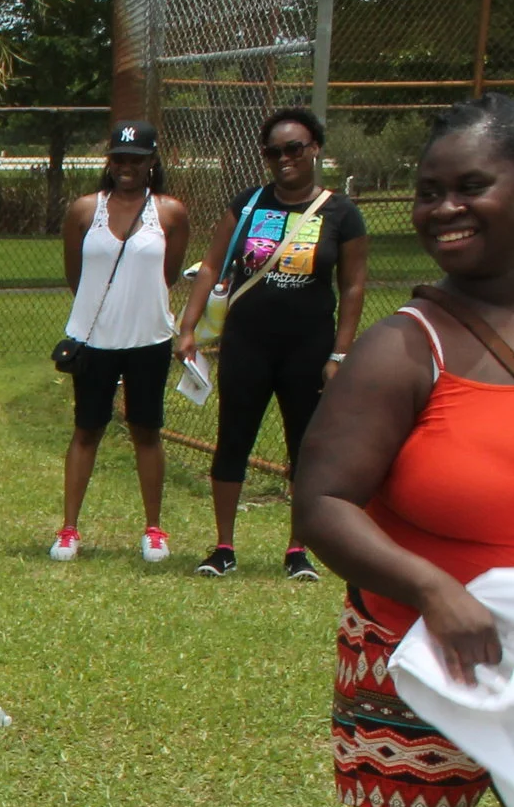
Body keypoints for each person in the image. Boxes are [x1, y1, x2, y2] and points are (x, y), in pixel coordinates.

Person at [296, 94, 514, 807]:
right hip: (420, 656)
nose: (442, 206)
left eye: (468, 185)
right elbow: (324, 503)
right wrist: (436, 589)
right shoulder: (409, 343)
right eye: (430, 188)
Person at [176, 105, 371, 580]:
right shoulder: (247, 205)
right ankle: (223, 547)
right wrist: (188, 328)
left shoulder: (341, 213)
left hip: (308, 347)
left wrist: (339, 354)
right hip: (248, 343)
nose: (284, 158)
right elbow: (210, 266)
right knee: (233, 439)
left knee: (304, 448)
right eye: (273, 151)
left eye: (294, 148)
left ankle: (297, 549)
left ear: (315, 149)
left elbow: (352, 286)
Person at [50, 122, 193, 563]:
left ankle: (153, 529)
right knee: (86, 430)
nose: (127, 167)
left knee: (146, 431)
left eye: (136, 159)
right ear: (108, 162)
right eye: (119, 158)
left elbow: (167, 274)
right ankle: (70, 529)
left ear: (152, 162)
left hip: (147, 338)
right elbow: (77, 276)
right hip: (93, 340)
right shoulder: (83, 210)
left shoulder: (169, 212)